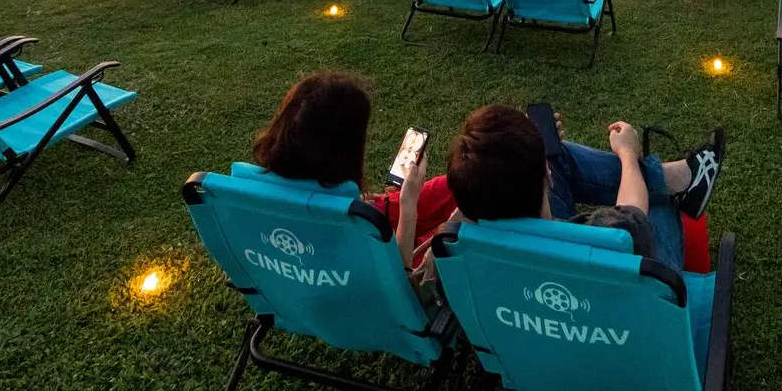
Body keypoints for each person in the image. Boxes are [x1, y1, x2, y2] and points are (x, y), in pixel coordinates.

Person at [444, 105, 724, 275]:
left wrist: (532, 146)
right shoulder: (602, 237)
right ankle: (680, 183)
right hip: (637, 305)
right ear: (546, 176)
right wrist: (628, 152)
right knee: (659, 195)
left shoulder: (459, 245)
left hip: (534, 294)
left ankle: (679, 179)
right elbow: (633, 215)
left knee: (558, 152)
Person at [252, 72, 458, 265]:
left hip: (343, 218)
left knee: (455, 187)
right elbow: (397, 276)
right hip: (384, 261)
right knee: (453, 227)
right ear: (342, 152)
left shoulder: (251, 195)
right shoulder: (350, 222)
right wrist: (408, 205)